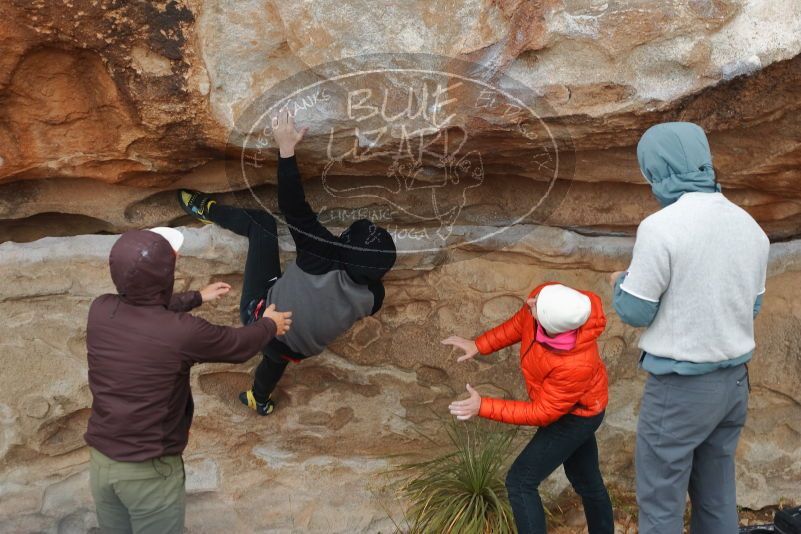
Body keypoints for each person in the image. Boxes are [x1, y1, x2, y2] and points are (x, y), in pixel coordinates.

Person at [177, 110, 396, 416]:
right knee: (275, 358)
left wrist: (286, 148)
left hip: (261, 320)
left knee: (262, 225)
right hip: (297, 350)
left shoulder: (320, 255)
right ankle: (259, 398)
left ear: (343, 246)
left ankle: (207, 210)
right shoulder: (375, 297)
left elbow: (293, 205)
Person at [609, 122, 770, 534]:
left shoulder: (661, 227)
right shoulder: (750, 227)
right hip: (733, 385)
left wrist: (619, 284)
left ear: (656, 170)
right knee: (717, 499)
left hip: (680, 391)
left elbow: (636, 310)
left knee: (661, 504)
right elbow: (750, 305)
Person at [85, 226, 292, 534]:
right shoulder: (182, 332)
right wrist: (268, 325)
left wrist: (196, 297)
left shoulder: (100, 309)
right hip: (148, 470)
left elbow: (144, 305)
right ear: (164, 275)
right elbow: (237, 345)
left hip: (101, 462)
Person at [444, 282, 614, 534]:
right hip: (562, 404)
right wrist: (479, 345)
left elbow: (542, 413)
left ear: (550, 326)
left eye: (537, 306)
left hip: (577, 416)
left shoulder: (576, 363)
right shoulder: (550, 299)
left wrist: (483, 406)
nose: (530, 302)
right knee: (586, 480)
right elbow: (520, 324)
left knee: (521, 481)